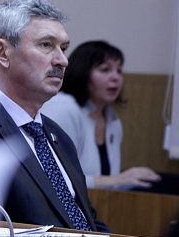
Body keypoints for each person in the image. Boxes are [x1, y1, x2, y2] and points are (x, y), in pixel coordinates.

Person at [0, 0, 108, 231]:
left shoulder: (57, 135)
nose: (63, 60)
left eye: (64, 48)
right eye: (46, 45)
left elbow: (84, 221)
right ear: (3, 53)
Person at [41, 40, 162, 190]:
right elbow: (52, 179)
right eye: (105, 69)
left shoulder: (112, 118)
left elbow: (108, 184)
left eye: (119, 71)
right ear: (82, 73)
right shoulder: (62, 108)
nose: (116, 77)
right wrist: (118, 180)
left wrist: (132, 180)